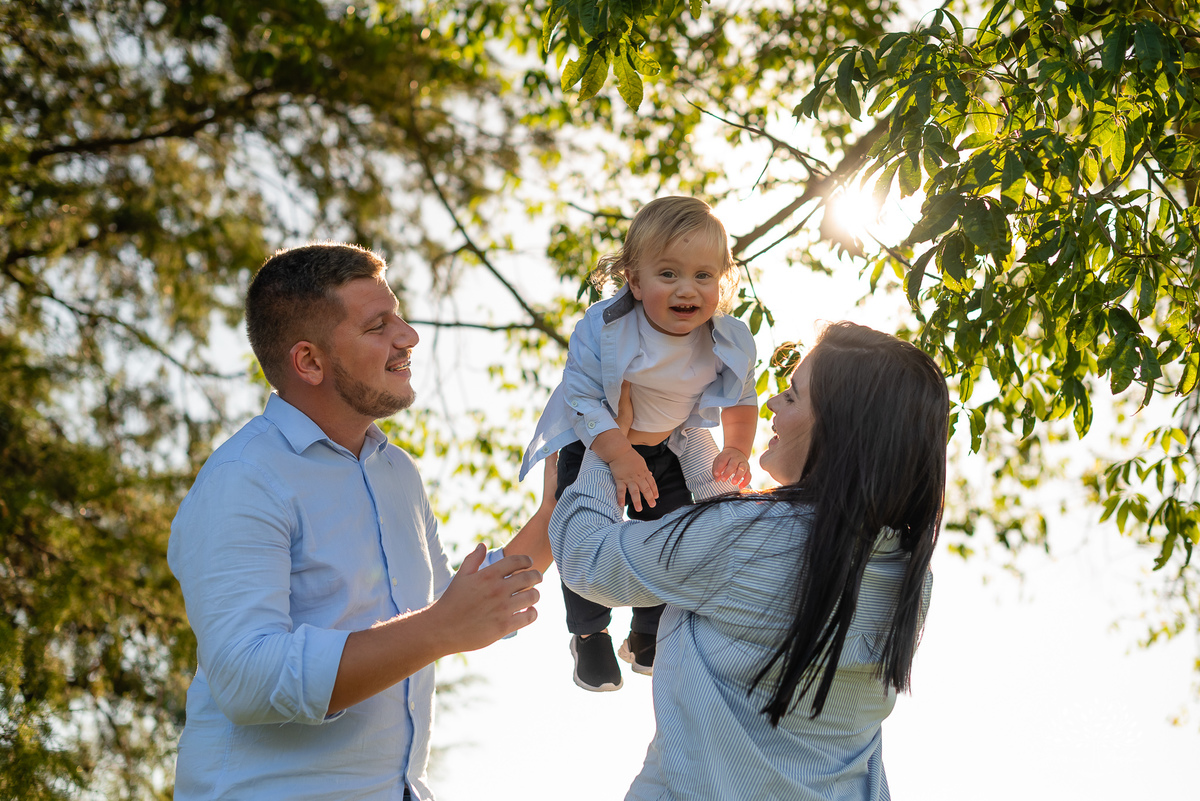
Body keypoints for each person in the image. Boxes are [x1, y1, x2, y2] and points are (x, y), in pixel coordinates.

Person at [168, 243, 555, 801]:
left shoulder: (397, 472)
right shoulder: (243, 478)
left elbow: (450, 605)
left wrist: (556, 509)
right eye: (378, 326)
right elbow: (246, 678)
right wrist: (439, 628)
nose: (409, 336)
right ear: (309, 362)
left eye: (398, 316)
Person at [549, 321, 949, 800]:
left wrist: (608, 444)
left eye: (793, 395)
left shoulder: (746, 539)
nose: (773, 404)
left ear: (839, 430)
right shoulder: (909, 579)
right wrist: (690, 431)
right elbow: (739, 537)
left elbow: (587, 557)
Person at [519, 196, 758, 692]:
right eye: (668, 274)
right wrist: (619, 454)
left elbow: (741, 396)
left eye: (703, 275)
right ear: (634, 281)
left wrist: (736, 447)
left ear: (722, 280)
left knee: (670, 531)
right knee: (581, 529)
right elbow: (582, 397)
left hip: (666, 448)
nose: (687, 289)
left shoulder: (727, 339)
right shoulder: (604, 327)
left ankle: (647, 633)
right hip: (597, 440)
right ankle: (590, 634)